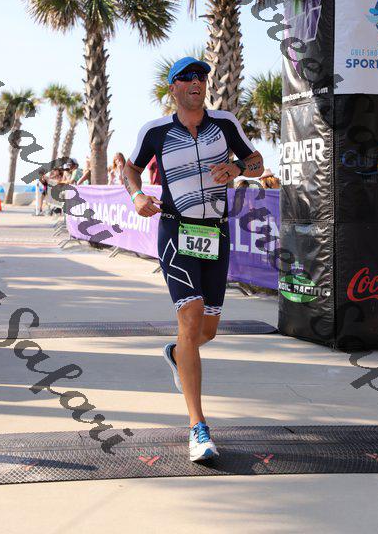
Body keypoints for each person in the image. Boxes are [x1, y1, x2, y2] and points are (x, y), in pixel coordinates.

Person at [124, 56, 264, 462]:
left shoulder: (225, 123)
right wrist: (136, 195)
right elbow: (130, 170)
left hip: (216, 232)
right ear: (173, 88)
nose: (195, 82)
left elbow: (257, 164)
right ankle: (198, 428)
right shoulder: (155, 130)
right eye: (186, 78)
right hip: (176, 230)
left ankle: (177, 353)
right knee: (190, 317)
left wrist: (237, 167)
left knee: (207, 331)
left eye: (200, 76)